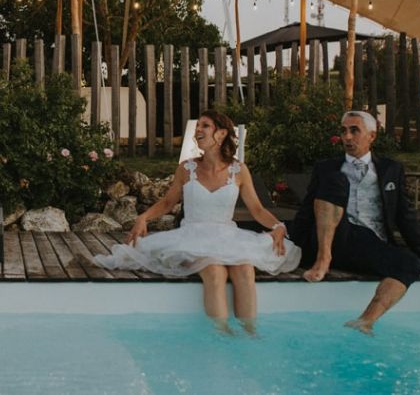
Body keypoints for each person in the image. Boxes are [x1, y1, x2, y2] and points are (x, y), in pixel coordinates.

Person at [94, 110, 301, 333]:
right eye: (198, 126)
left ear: (221, 134)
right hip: (192, 236)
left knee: (244, 269)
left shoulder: (239, 170)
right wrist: (143, 217)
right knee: (214, 269)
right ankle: (222, 333)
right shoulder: (186, 168)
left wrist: (278, 226)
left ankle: (250, 333)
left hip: (227, 235)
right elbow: (167, 203)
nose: (198, 130)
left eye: (205, 126)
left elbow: (257, 210)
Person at [288, 110, 420, 334]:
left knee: (411, 264)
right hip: (332, 238)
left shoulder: (390, 169)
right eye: (344, 131)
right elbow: (307, 210)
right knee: (336, 181)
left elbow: (404, 213)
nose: (347, 137)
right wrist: (292, 245)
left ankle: (365, 320)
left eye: (354, 130)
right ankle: (324, 259)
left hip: (368, 245)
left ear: (372, 136)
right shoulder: (326, 168)